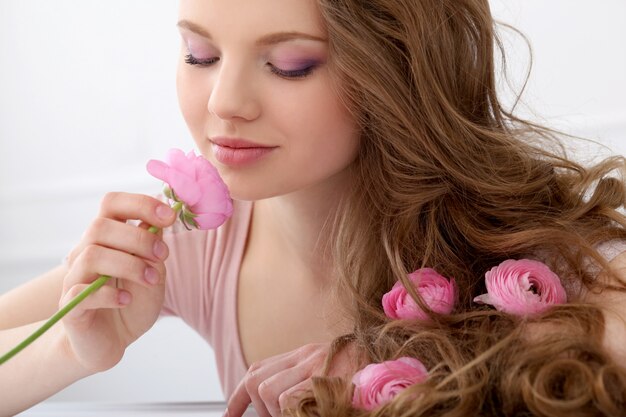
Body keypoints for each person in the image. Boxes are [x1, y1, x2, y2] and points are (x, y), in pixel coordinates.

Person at [1, 0, 625, 416]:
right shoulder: (190, 246)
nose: (225, 102)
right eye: (199, 54)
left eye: (289, 65)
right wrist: (71, 351)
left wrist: (436, 356)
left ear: (398, 72)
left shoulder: (521, 249)